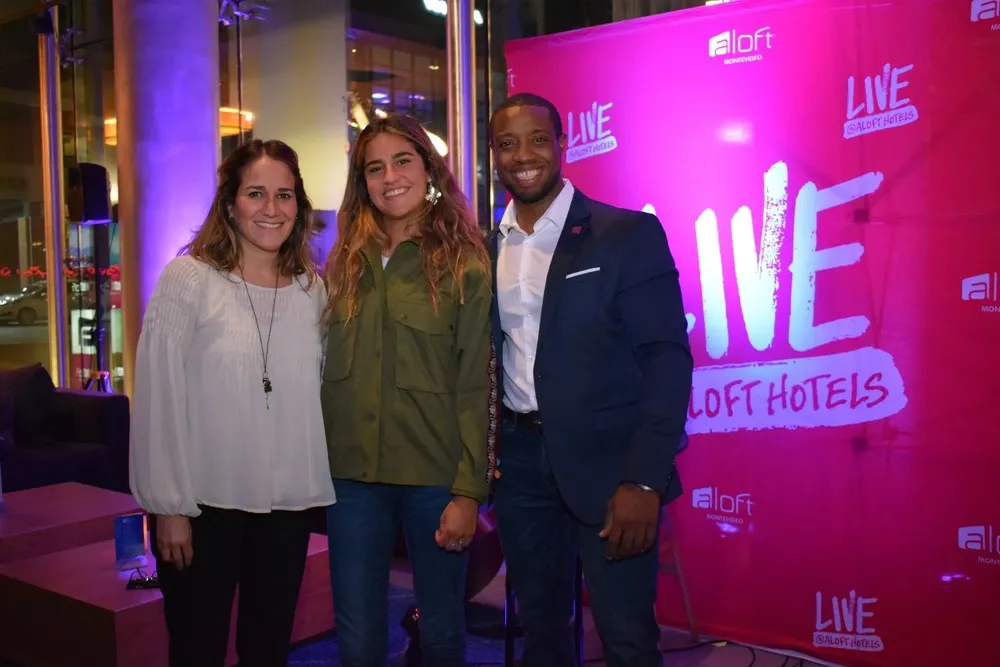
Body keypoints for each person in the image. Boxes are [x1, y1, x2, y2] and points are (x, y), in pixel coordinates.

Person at [488, 92, 694, 667]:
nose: (523, 155)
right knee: (542, 636)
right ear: (494, 156)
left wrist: (645, 481)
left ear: (562, 145)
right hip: (521, 469)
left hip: (614, 473)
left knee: (627, 639)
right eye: (508, 143)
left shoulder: (626, 234)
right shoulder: (483, 249)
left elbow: (666, 361)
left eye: (537, 140)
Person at [129, 139, 337, 667]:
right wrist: (168, 506)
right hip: (203, 508)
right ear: (230, 203)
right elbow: (158, 395)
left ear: (299, 205)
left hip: (285, 510)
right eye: (257, 193)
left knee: (268, 651)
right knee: (197, 649)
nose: (272, 209)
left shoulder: (312, 290)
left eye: (285, 195)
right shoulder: (190, 279)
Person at [320, 113, 493, 667]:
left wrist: (468, 492)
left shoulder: (465, 263)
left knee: (441, 631)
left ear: (428, 169)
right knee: (357, 633)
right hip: (351, 481)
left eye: (402, 161)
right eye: (374, 168)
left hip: (435, 480)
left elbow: (476, 384)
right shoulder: (342, 265)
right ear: (362, 183)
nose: (389, 176)